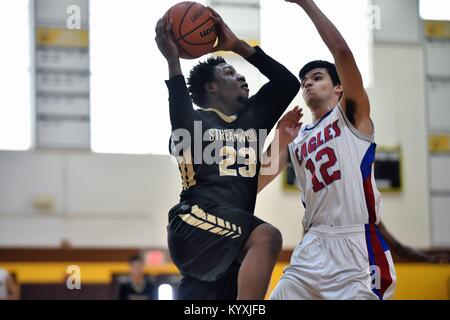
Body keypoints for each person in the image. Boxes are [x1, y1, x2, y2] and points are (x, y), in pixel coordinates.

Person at [154, 7, 300, 299]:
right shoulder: (194, 121)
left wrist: (238, 47)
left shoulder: (254, 118)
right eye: (230, 72)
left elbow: (288, 84)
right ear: (212, 87)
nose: (242, 78)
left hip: (232, 240)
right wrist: (172, 59)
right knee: (268, 237)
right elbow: (178, 101)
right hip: (194, 223)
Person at [258, 0, 397, 299]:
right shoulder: (297, 138)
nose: (307, 83)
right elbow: (255, 183)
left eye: (317, 78)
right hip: (313, 246)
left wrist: (305, 4)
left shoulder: (351, 117)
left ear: (339, 88)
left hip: (356, 245)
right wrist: (279, 140)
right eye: (304, 81)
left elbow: (342, 53)